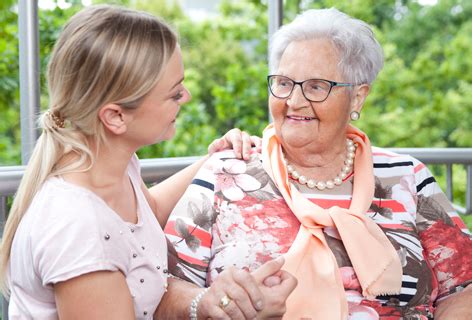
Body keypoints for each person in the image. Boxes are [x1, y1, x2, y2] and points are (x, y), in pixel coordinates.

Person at [164, 8, 472, 320]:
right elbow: (162, 287)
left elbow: (465, 287)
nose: (294, 101)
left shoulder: (407, 177)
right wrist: (205, 302)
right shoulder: (228, 172)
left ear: (357, 98)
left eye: (315, 86)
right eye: (284, 83)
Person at [0, 5, 296, 319]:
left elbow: (146, 214)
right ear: (115, 116)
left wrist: (213, 160)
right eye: (174, 93)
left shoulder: (110, 166)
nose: (188, 97)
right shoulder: (79, 232)